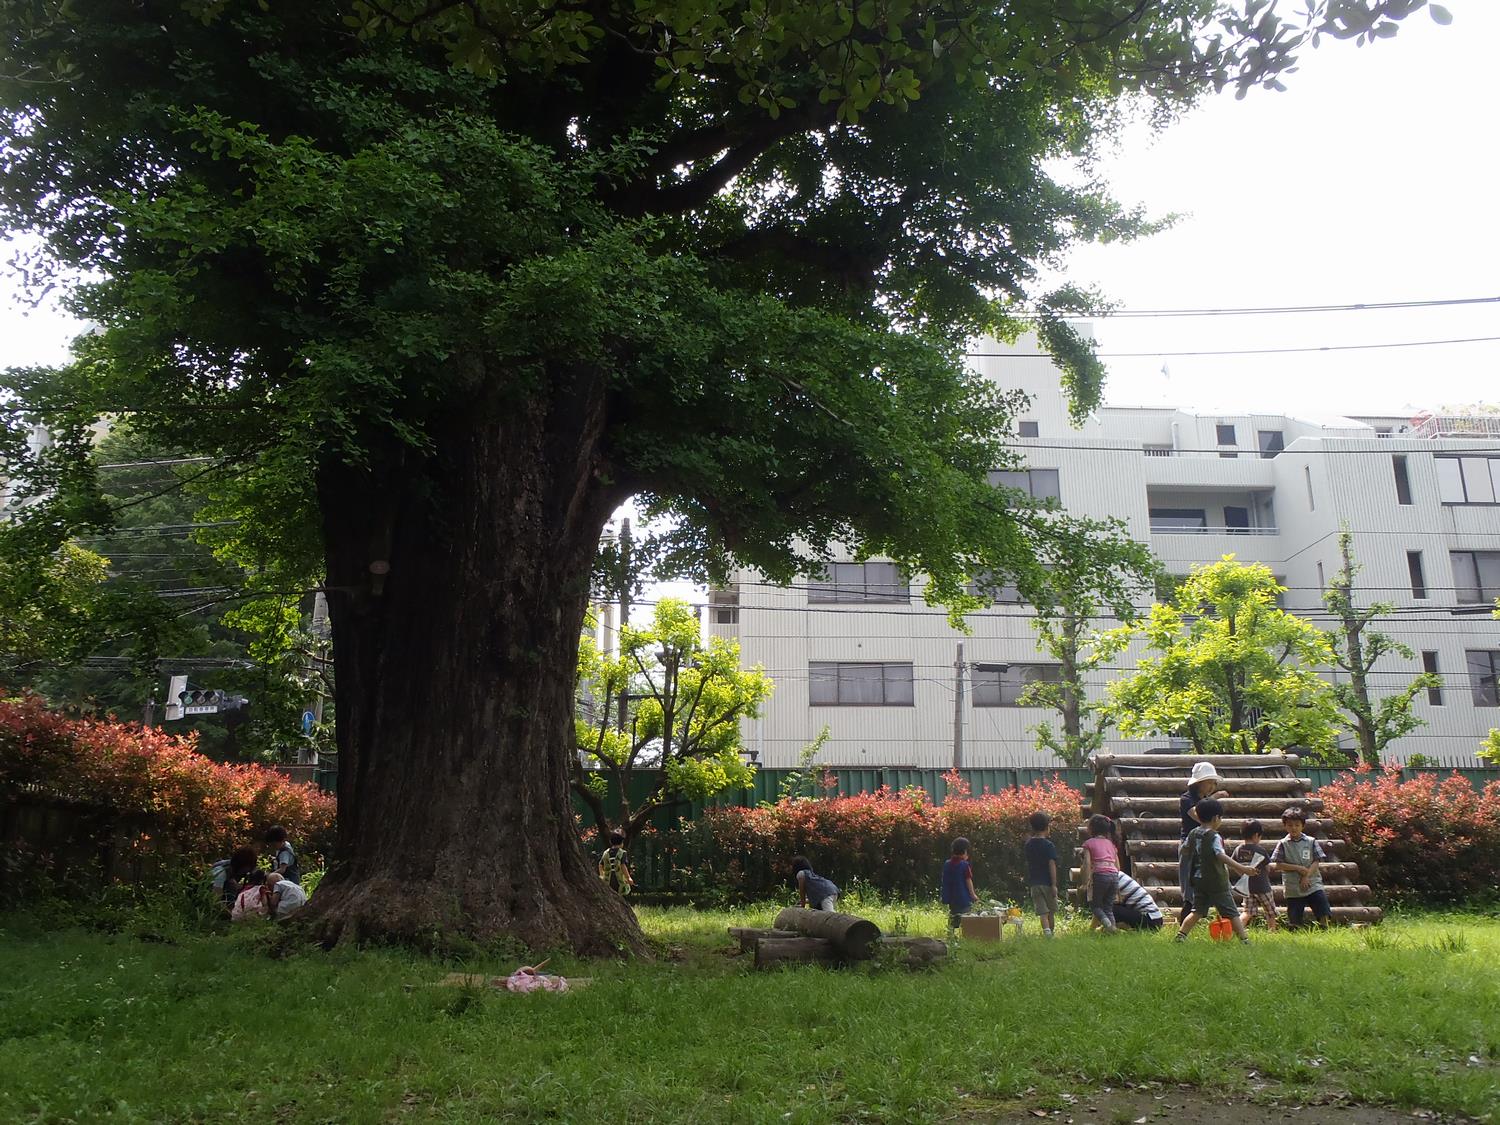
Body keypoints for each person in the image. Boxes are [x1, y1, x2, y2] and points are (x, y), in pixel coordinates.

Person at [1175, 798, 1260, 944]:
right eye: (1220, 817)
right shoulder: (1214, 836)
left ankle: (1181, 936)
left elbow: (1184, 850)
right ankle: (1245, 940)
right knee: (1232, 912)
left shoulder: (1193, 833)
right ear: (1216, 818)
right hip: (1216, 882)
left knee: (1196, 911)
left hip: (1199, 880)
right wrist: (1242, 868)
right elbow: (1220, 855)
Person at [1177, 761, 1230, 921]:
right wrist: (1213, 800)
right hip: (1190, 846)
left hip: (1206, 844)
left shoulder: (1206, 799)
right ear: (1199, 783)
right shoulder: (1186, 798)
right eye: (1209, 782)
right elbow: (1199, 815)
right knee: (1189, 887)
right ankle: (1184, 924)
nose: (1212, 786)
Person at [1270, 807, 1332, 930]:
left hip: (1312, 883)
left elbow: (1317, 861)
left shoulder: (1311, 841)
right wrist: (1297, 868)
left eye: (1297, 825)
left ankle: (1325, 927)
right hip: (1293, 886)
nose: (1293, 828)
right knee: (1294, 914)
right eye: (1290, 825)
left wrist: (1306, 876)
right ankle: (1296, 930)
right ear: (1285, 826)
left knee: (1321, 903)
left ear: (1302, 826)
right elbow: (1278, 865)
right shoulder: (1283, 843)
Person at [1232, 820, 1278, 932]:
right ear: (1256, 835)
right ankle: (1272, 931)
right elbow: (1267, 867)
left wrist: (1242, 874)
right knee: (1270, 911)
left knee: (1247, 911)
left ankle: (1238, 930)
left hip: (1247, 887)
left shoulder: (1238, 849)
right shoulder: (1260, 850)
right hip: (1263, 887)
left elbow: (1233, 864)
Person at [1079, 814, 1120, 933]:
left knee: (1095, 905)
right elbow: (1118, 866)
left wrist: (1086, 881)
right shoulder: (1111, 844)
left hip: (1100, 876)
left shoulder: (1089, 843)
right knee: (1108, 907)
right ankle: (1112, 929)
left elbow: (1086, 863)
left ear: (1091, 829)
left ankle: (1108, 925)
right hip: (1114, 876)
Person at [1023, 811, 1060, 937]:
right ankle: (1052, 932)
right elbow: (1052, 865)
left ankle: (1046, 933)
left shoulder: (1028, 845)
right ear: (1047, 827)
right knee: (1051, 911)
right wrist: (1054, 884)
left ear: (1033, 827)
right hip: (1048, 883)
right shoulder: (1049, 845)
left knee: (1042, 911)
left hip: (1034, 883)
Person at [940, 837, 978, 935]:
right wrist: (973, 894)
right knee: (966, 917)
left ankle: (950, 935)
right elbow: (968, 880)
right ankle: (967, 935)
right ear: (965, 851)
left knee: (953, 915)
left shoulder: (947, 864)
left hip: (951, 897)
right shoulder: (964, 865)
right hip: (963, 897)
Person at [210, 845, 258, 909]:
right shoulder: (221, 872)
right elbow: (215, 899)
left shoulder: (233, 871)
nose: (247, 871)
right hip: (213, 905)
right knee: (231, 885)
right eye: (247, 868)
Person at [598, 830, 633, 895]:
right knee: (621, 893)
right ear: (622, 842)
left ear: (611, 841)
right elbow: (623, 866)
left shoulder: (606, 853)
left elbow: (600, 864)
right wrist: (628, 878)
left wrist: (602, 875)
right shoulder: (622, 853)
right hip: (618, 880)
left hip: (608, 880)